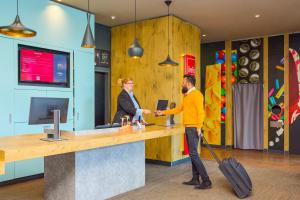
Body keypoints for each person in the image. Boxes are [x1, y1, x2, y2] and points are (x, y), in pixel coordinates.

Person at [156, 75, 212, 189]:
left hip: (193, 128)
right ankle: (195, 179)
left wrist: (199, 127)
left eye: (183, 82)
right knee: (193, 154)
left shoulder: (197, 95)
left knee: (193, 154)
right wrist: (162, 112)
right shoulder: (186, 96)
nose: (181, 84)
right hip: (188, 128)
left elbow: (201, 112)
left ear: (189, 83)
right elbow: (178, 109)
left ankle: (206, 180)